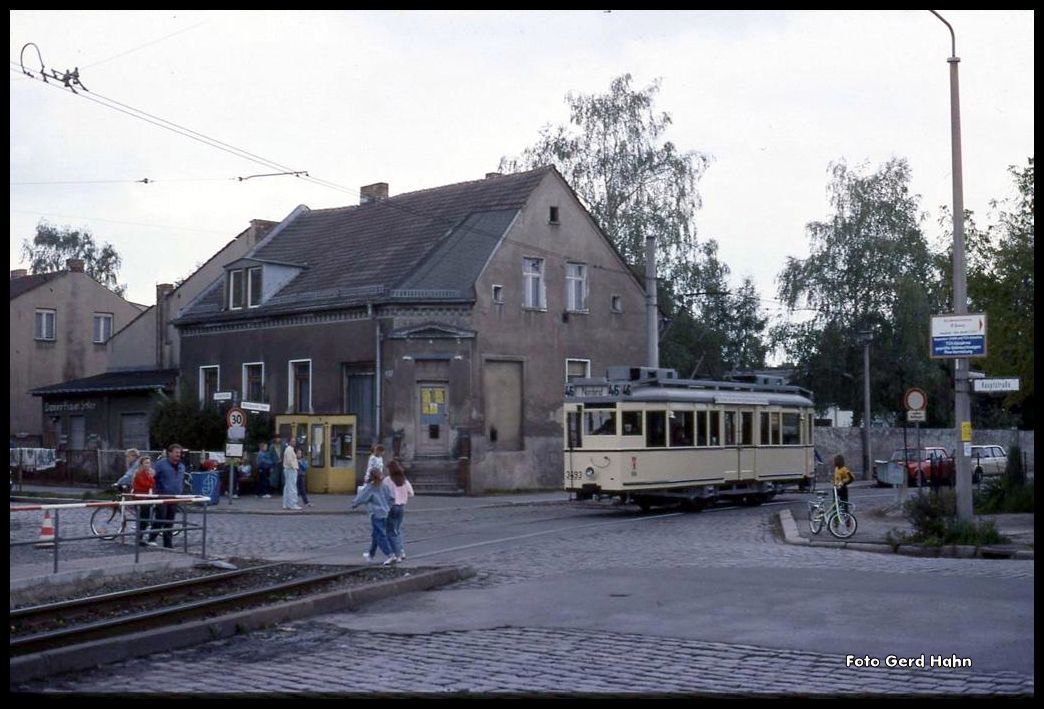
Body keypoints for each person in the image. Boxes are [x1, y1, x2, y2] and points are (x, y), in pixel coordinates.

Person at [351, 467, 397, 565]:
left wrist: (354, 504)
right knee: (375, 534)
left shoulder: (371, 487)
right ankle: (371, 554)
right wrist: (388, 507)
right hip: (385, 513)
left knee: (380, 535)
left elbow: (362, 497)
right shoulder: (384, 485)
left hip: (376, 514)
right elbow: (391, 498)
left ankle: (390, 554)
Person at [149, 443, 186, 548]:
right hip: (162, 496)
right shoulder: (161, 464)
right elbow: (153, 478)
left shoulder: (181, 466)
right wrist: (155, 491)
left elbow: (180, 480)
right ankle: (152, 537)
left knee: (170, 520)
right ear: (170, 453)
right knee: (161, 517)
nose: (178, 455)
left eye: (179, 452)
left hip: (175, 497)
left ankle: (168, 543)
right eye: (176, 452)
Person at [385, 458, 414, 562]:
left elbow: (384, 493)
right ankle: (401, 551)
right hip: (401, 507)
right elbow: (411, 493)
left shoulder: (388, 480)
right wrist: (403, 496)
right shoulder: (403, 480)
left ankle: (397, 554)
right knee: (397, 529)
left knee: (391, 532)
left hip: (392, 507)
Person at [131, 455, 157, 547]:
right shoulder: (139, 473)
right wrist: (152, 478)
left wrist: (151, 478)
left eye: (149, 463)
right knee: (143, 518)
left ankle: (140, 538)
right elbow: (146, 484)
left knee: (144, 518)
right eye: (146, 463)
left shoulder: (146, 473)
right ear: (141, 464)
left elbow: (150, 484)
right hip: (140, 498)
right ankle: (139, 538)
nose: (148, 465)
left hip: (146, 497)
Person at [282, 437, 302, 510]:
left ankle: (286, 503)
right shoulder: (289, 450)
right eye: (293, 441)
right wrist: (294, 467)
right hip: (291, 469)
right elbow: (290, 461)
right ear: (289, 442)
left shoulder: (289, 449)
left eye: (294, 441)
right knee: (292, 487)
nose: (294, 442)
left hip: (288, 469)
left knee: (287, 487)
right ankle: (293, 504)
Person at [295, 442, 311, 507]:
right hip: (295, 476)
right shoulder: (294, 460)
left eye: (300, 453)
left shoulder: (303, 460)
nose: (299, 455)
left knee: (302, 489)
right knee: (295, 489)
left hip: (301, 475)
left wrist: (301, 462)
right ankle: (294, 502)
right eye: (298, 453)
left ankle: (306, 502)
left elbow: (306, 467)